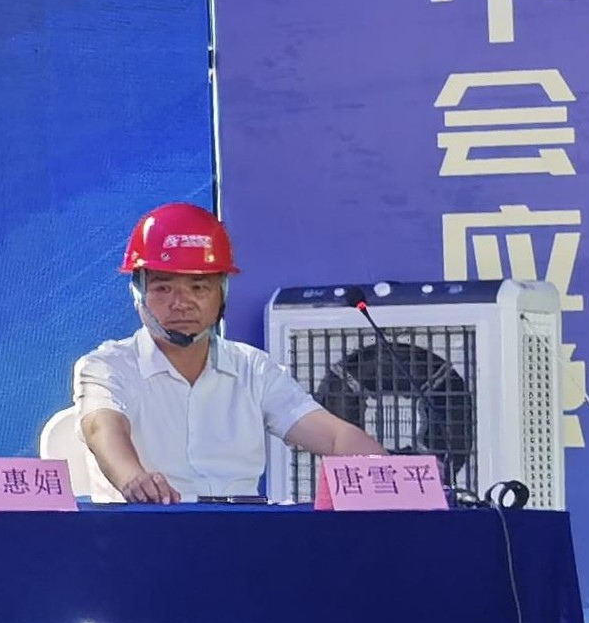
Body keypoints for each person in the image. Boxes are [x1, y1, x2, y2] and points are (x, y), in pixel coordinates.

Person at [76, 202, 381, 502]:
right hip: (143, 525)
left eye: (199, 288)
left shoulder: (253, 369)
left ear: (222, 292)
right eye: (163, 288)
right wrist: (133, 479)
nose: (181, 303)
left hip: (238, 529)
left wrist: (388, 475)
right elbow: (101, 427)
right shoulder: (107, 366)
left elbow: (335, 437)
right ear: (138, 294)